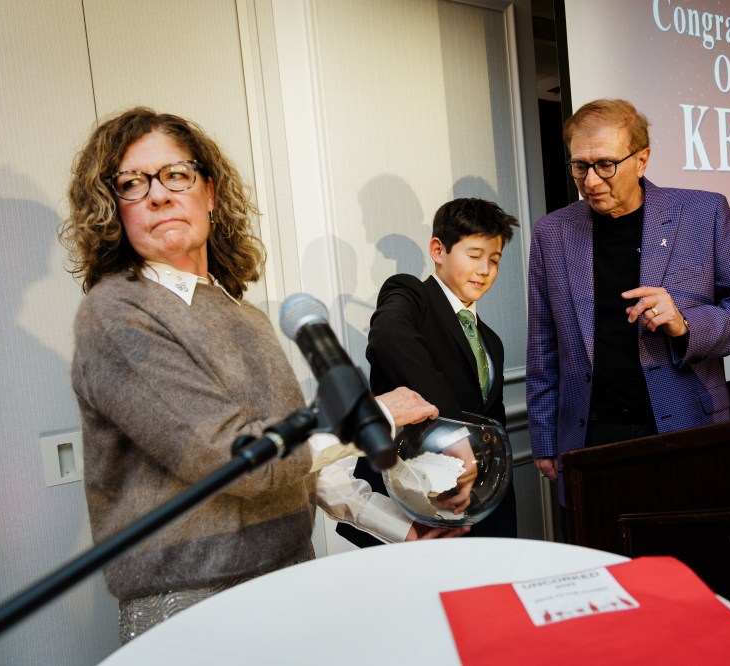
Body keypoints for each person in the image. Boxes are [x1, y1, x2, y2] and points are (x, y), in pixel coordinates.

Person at [59, 107, 456, 643]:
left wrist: (401, 528)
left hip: (290, 579)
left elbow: (302, 463)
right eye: (133, 183)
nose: (158, 195)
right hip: (194, 605)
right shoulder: (116, 314)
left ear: (210, 192)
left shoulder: (244, 315)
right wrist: (375, 415)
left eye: (175, 174)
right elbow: (237, 460)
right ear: (114, 209)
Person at [527, 98, 730, 509]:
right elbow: (543, 343)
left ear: (641, 160)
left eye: (606, 164)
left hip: (686, 427)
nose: (591, 180)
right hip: (590, 437)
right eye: (580, 166)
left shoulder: (703, 213)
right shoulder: (551, 233)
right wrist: (543, 439)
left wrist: (686, 324)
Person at [337, 198, 520, 547]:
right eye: (474, 255)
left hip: (476, 512)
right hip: (411, 508)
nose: (485, 270)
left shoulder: (491, 342)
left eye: (494, 260)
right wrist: (454, 437)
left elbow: (491, 428)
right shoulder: (411, 295)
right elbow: (388, 337)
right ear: (438, 250)